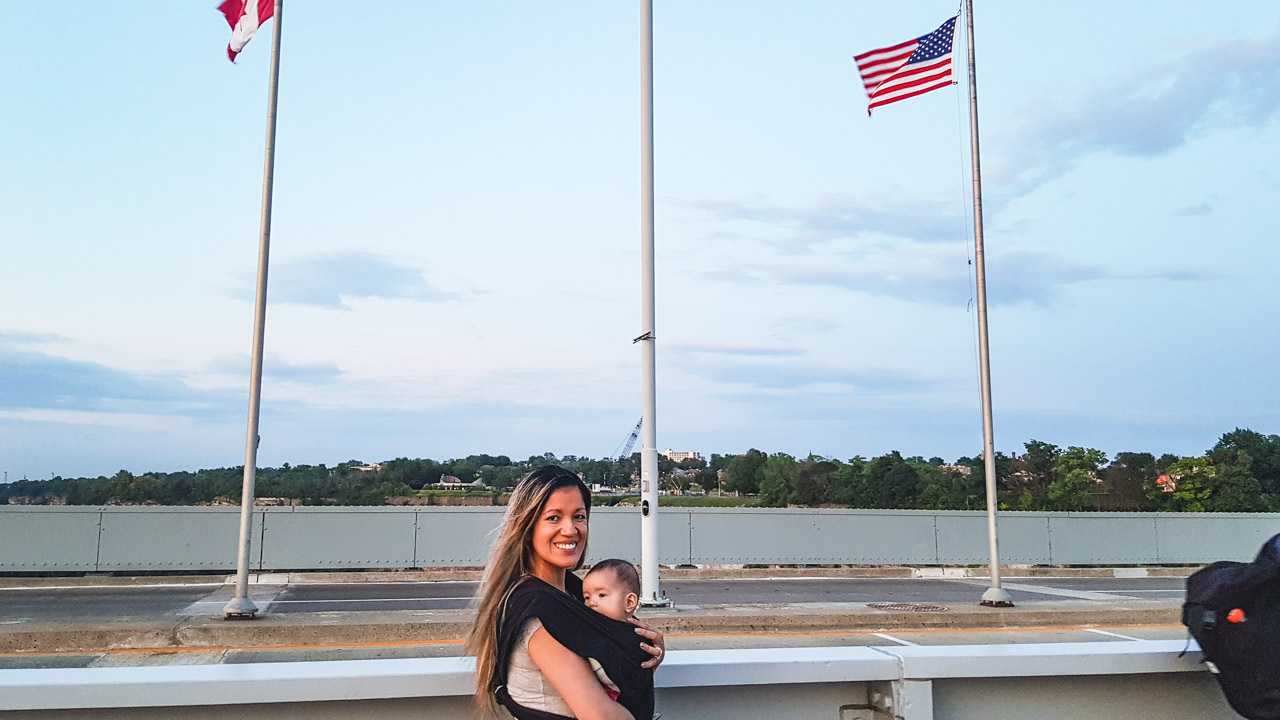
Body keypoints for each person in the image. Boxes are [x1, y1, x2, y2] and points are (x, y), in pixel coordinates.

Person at [467, 465, 664, 720]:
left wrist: (643, 655)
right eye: (554, 518)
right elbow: (600, 716)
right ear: (528, 529)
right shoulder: (539, 613)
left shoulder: (573, 594)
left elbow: (606, 686)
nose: (570, 530)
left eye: (579, 516)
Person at [581, 559, 645, 703]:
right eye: (586, 597)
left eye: (601, 595)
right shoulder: (592, 628)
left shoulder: (635, 638)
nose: (591, 602)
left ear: (629, 602)